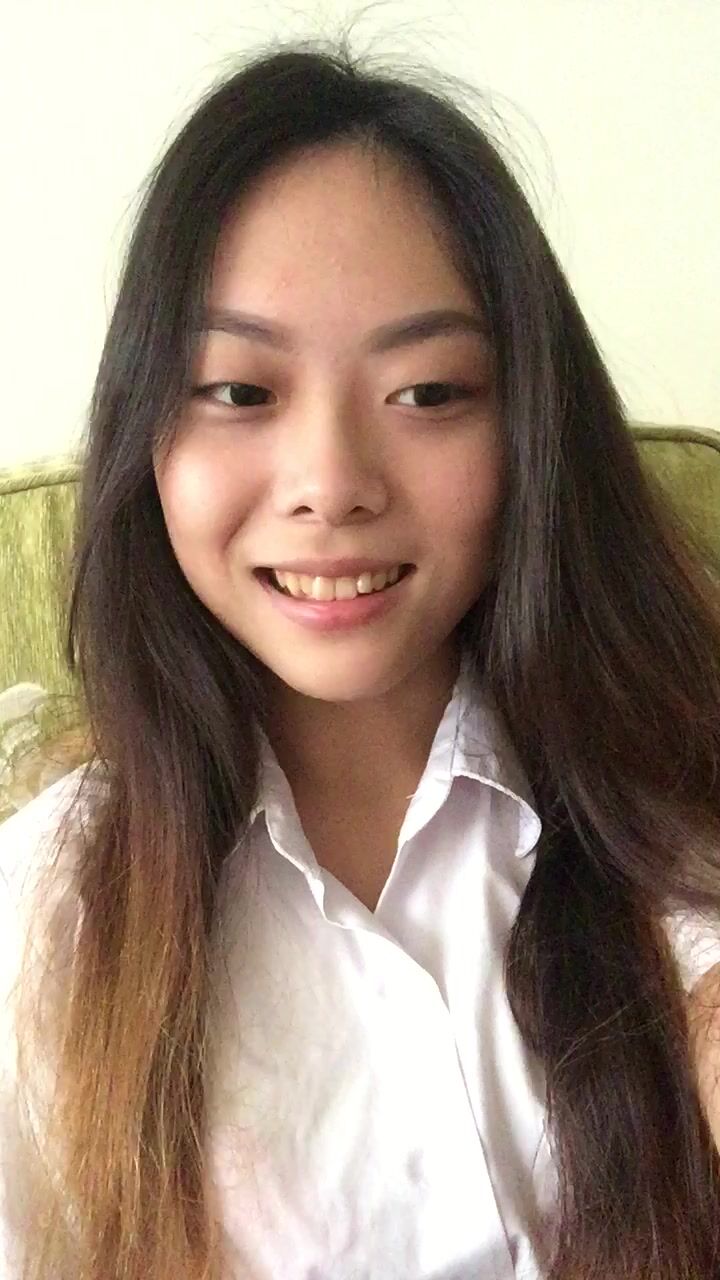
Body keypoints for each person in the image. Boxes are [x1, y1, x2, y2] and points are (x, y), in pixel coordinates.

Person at [1, 32, 720, 1280]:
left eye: (429, 392)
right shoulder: (47, 914)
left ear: (531, 429)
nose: (331, 483)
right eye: (239, 391)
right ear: (144, 435)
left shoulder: (663, 785)